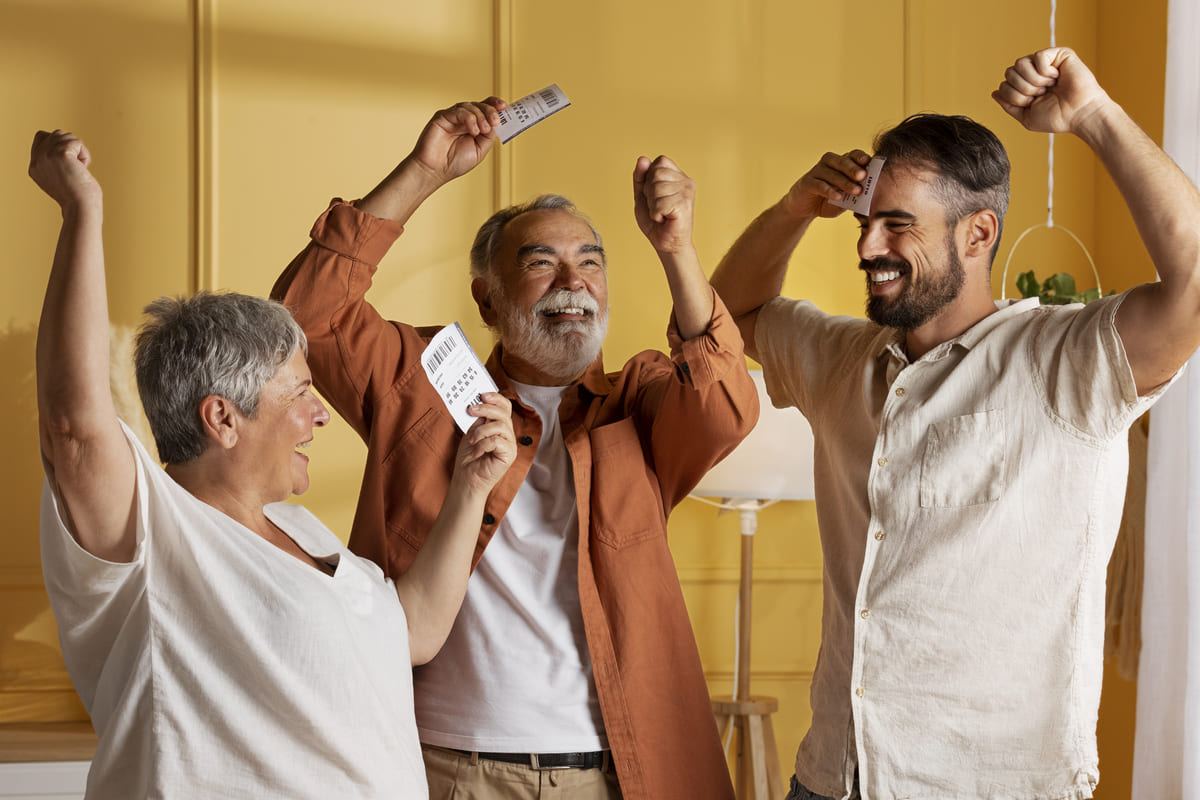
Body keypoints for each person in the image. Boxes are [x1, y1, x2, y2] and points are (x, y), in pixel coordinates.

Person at [709, 47, 1200, 800]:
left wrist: (1094, 115)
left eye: (897, 226)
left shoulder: (1066, 363)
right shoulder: (843, 359)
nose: (868, 246)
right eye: (866, 224)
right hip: (832, 778)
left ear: (978, 235)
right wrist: (794, 210)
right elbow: (728, 319)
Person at [271, 98, 757, 800]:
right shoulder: (421, 382)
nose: (573, 281)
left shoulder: (643, 400)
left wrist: (676, 247)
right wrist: (423, 171)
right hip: (443, 765)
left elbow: (724, 406)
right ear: (488, 299)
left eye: (590, 262)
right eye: (542, 263)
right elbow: (303, 319)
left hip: (614, 769)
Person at [31, 129, 516, 800]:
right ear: (223, 418)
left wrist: (472, 486)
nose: (322, 416)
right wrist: (81, 210)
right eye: (301, 395)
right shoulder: (154, 533)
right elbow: (74, 432)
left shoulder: (304, 532)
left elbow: (414, 634)